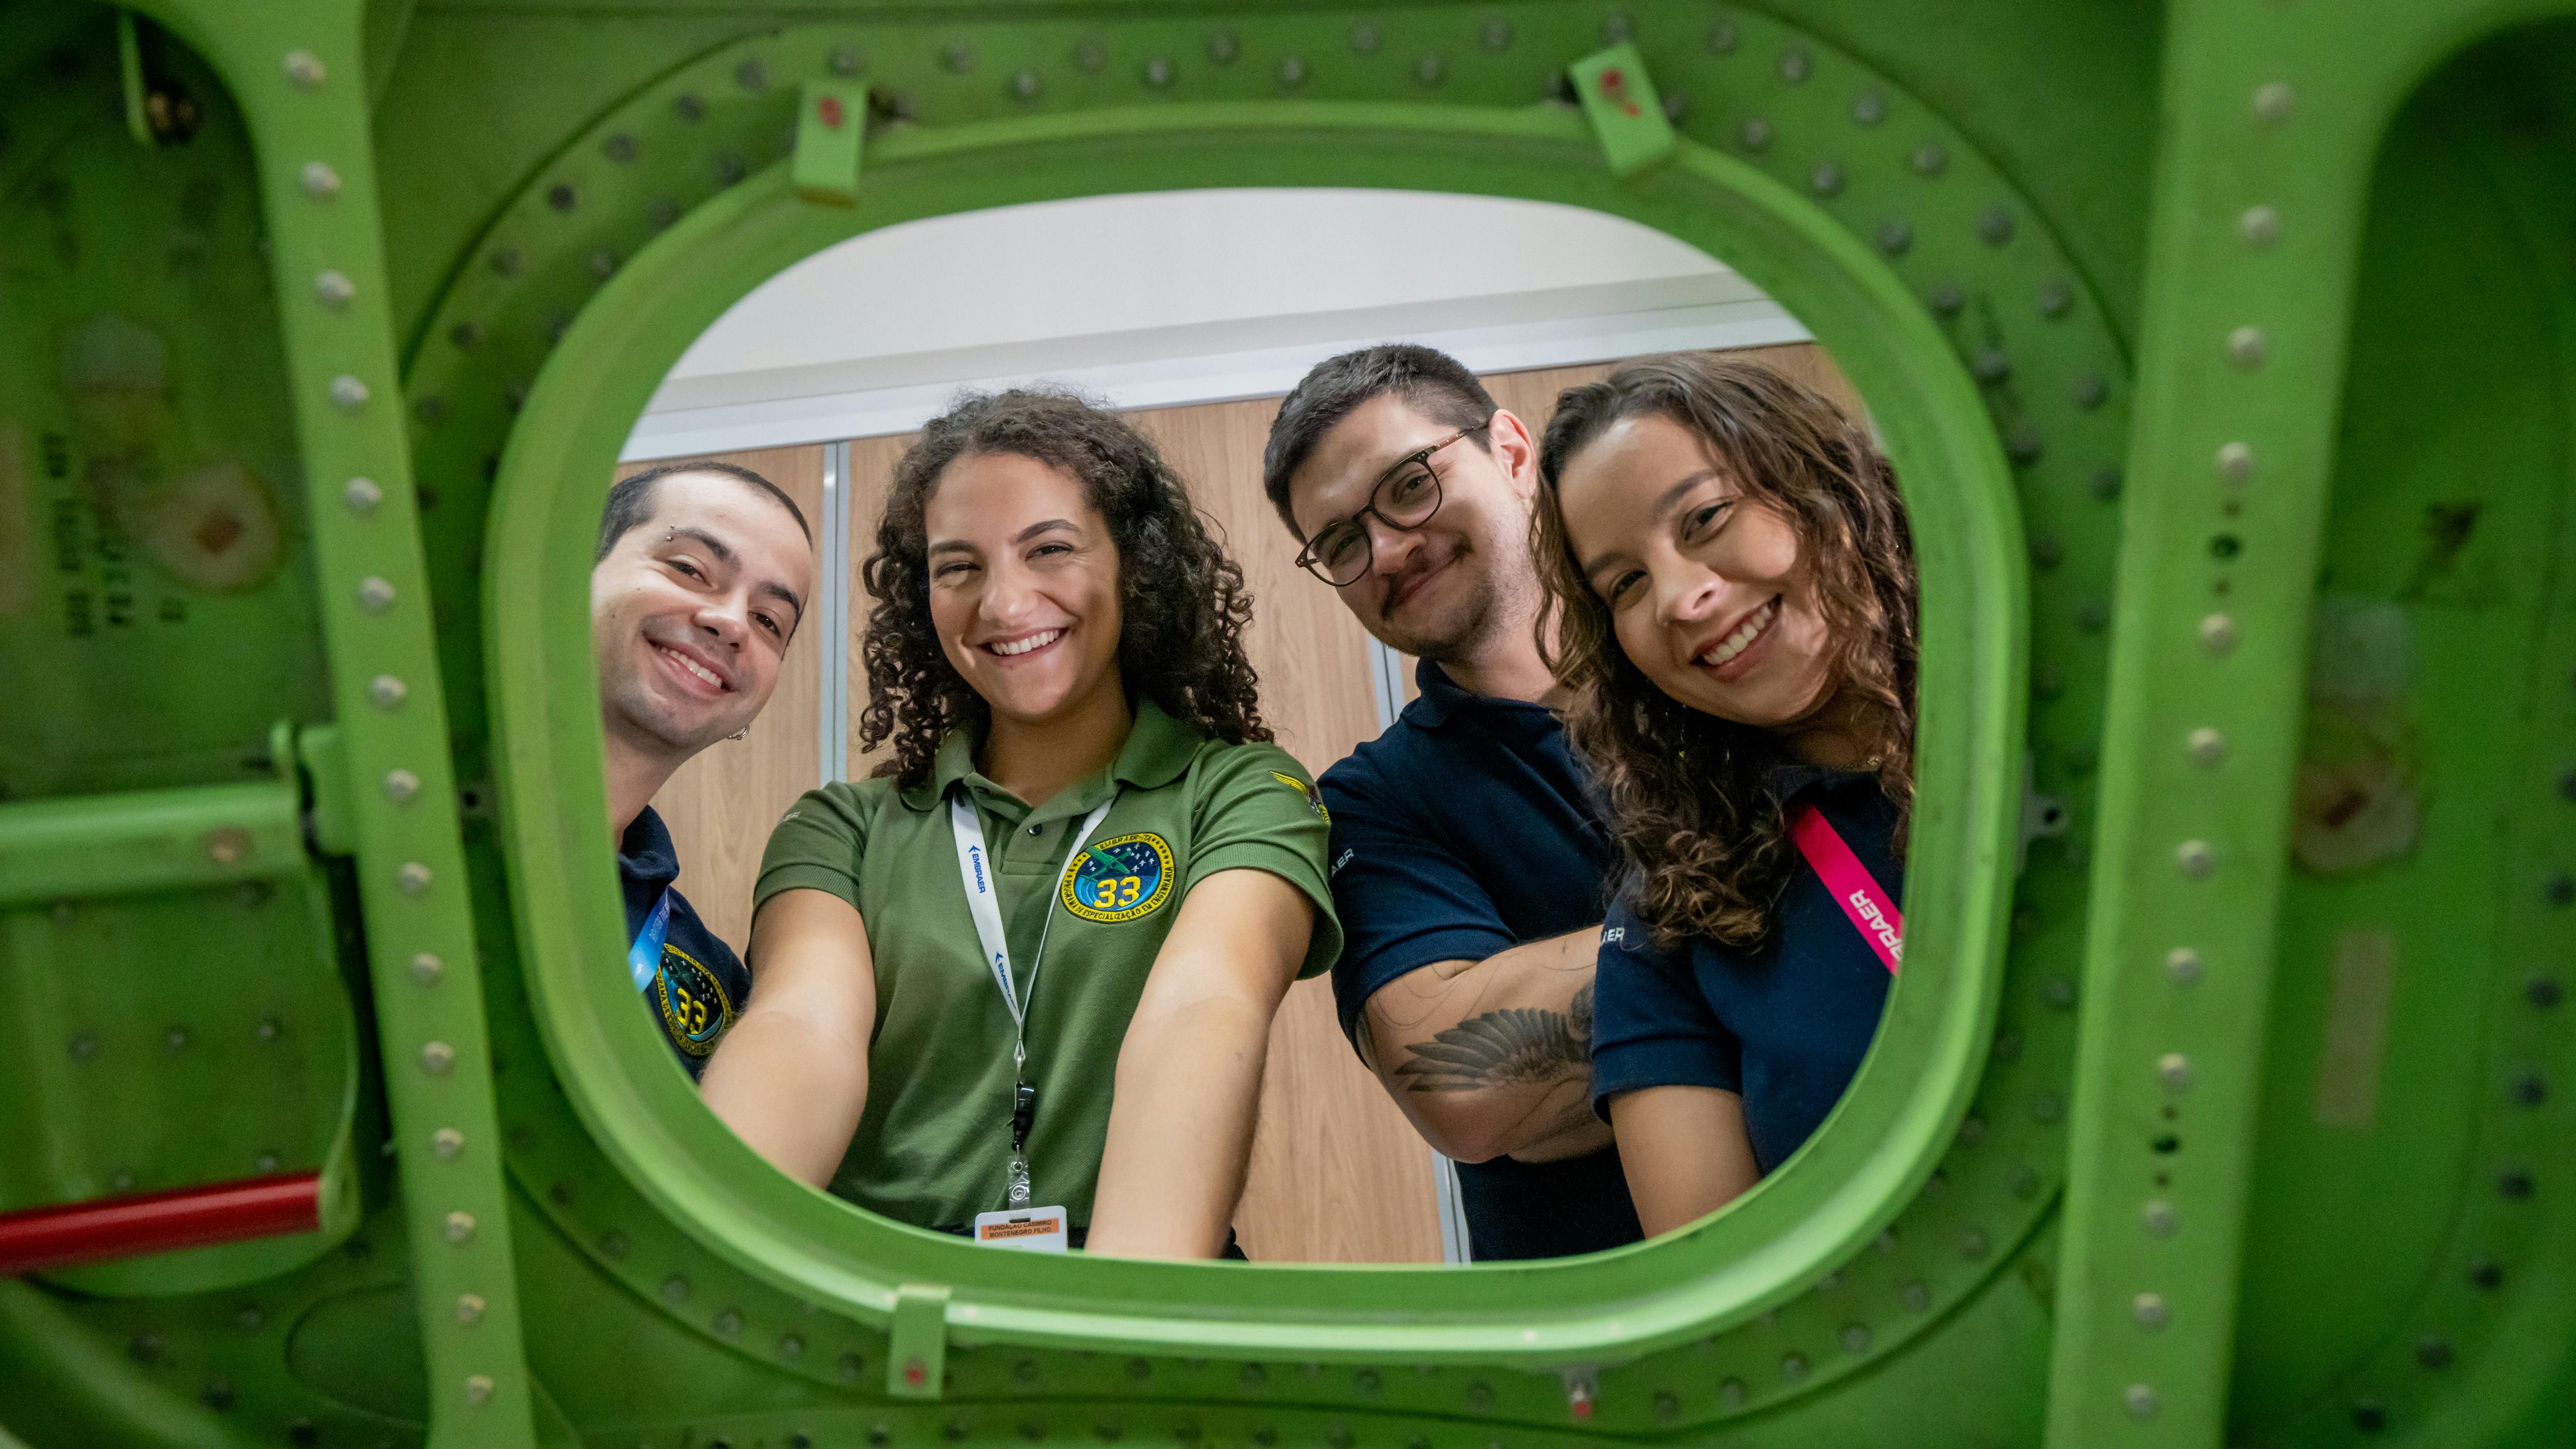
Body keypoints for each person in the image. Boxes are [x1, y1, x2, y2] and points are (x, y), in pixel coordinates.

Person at [702, 390, 1339, 1260]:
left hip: (1130, 1282)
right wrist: (717, 1251)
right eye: (958, 567)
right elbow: (801, 1029)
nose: (1004, 604)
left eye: (1050, 549)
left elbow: (1205, 1007)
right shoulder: (842, 829)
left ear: (1135, 564)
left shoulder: (1241, 792)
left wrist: (1124, 1307)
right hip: (879, 1294)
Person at [1262, 345, 1641, 1260]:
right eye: (1342, 543)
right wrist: (1772, 921)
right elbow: (1465, 1091)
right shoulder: (1370, 802)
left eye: (1409, 485)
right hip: (1605, 1318)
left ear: (1510, 452)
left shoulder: (1704, 655)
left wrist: (1588, 1080)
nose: (1388, 549)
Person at [1531, 353, 1913, 1236]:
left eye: (1704, 519)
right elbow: (1725, 1284)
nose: (1680, 597)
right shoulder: (1672, 924)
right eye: (1626, 583)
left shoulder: (2071, 718)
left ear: (1824, 485)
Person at [592, 459, 817, 1079]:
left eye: (769, 621)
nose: (731, 622)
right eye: (690, 569)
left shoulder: (708, 984)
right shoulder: (404, 831)